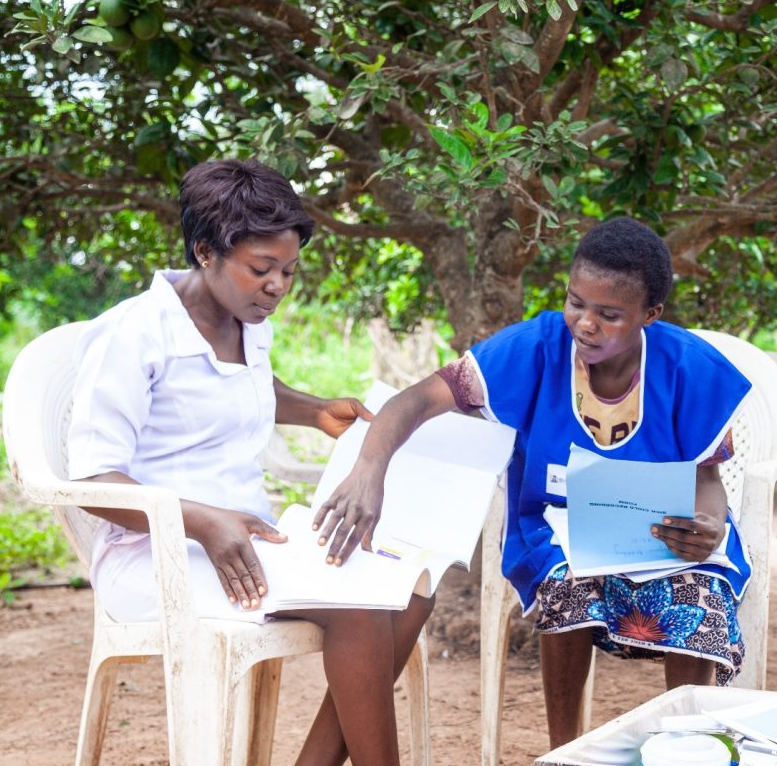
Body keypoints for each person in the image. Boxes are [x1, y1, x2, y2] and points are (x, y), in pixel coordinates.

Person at [314, 217, 753, 749]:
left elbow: (708, 477)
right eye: (576, 302)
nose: (585, 323)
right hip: (552, 532)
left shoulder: (689, 367)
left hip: (660, 539)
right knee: (567, 584)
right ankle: (565, 750)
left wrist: (707, 524)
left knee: (701, 592)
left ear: (650, 315)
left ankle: (689, 744)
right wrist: (369, 469)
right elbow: (415, 401)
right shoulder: (536, 348)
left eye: (609, 314)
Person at [67, 158, 432, 766]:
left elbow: (250, 386)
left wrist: (314, 410)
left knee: (412, 589)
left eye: (289, 271)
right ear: (205, 251)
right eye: (261, 270)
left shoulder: (245, 318)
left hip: (249, 541)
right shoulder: (133, 336)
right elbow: (91, 483)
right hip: (157, 558)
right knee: (365, 606)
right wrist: (204, 521)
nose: (278, 287)